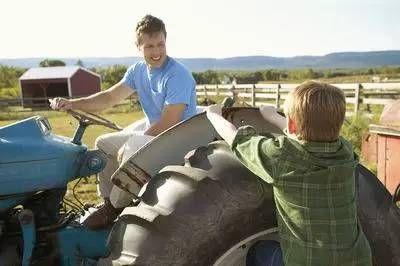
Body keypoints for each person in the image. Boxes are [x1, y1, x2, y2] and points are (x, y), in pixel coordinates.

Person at [50, 14, 197, 229]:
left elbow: (169, 122)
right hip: (157, 136)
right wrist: (74, 104)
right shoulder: (138, 71)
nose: (156, 52)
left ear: (166, 41)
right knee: (103, 143)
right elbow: (109, 97)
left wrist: (134, 147)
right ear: (139, 47)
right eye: (149, 46)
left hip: (180, 138)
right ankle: (107, 200)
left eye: (160, 44)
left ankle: (116, 208)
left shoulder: (177, 75)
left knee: (131, 147)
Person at [206, 81, 372, 266]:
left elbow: (237, 139)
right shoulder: (345, 151)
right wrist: (273, 117)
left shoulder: (283, 156)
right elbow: (306, 134)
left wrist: (212, 114)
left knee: (259, 252)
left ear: (292, 125)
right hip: (358, 260)